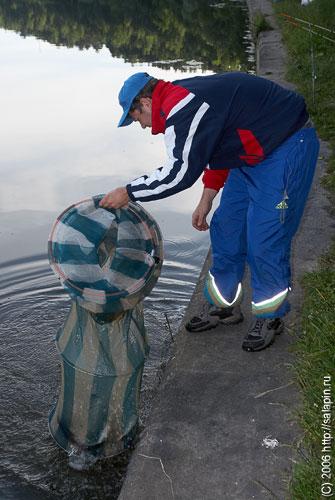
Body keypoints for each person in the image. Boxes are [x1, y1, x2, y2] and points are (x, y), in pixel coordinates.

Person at [99, 71, 319, 351]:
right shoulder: (180, 100)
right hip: (250, 153)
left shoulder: (181, 106)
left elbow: (179, 173)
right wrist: (207, 197)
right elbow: (219, 143)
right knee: (226, 227)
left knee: (265, 239)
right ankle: (224, 305)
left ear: (145, 102)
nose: (142, 126)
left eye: (136, 118)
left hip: (285, 146)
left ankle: (270, 316)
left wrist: (128, 192)